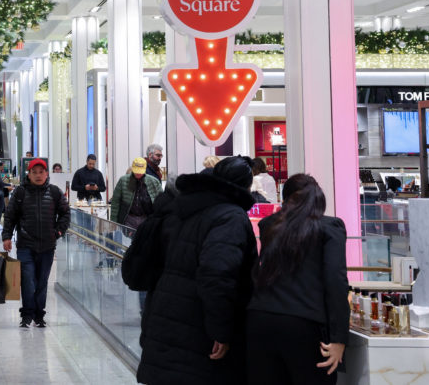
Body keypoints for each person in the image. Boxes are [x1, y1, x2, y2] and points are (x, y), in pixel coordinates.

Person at [137, 156, 258, 385]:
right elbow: (216, 276)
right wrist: (221, 331)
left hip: (166, 313)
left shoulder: (188, 208)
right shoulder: (230, 216)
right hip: (197, 328)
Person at [247, 174, 348, 384]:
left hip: (259, 320)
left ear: (284, 199)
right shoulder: (330, 228)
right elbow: (335, 281)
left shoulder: (269, 226)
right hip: (304, 326)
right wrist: (339, 338)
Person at [2, 158, 70, 328]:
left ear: (47, 174)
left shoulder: (55, 192)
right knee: (28, 280)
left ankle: (39, 315)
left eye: (41, 172)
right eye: (34, 172)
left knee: (41, 282)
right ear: (29, 174)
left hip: (47, 245)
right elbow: (10, 216)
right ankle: (27, 315)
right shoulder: (20, 193)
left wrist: (58, 232)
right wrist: (7, 236)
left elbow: (65, 213)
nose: (38, 175)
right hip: (25, 244)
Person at [110, 157, 163, 230]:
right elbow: (115, 202)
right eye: (136, 171)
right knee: (127, 241)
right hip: (128, 219)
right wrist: (113, 222)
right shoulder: (123, 180)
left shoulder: (154, 182)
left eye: (140, 171)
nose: (138, 173)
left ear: (145, 170)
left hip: (147, 219)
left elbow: (162, 203)